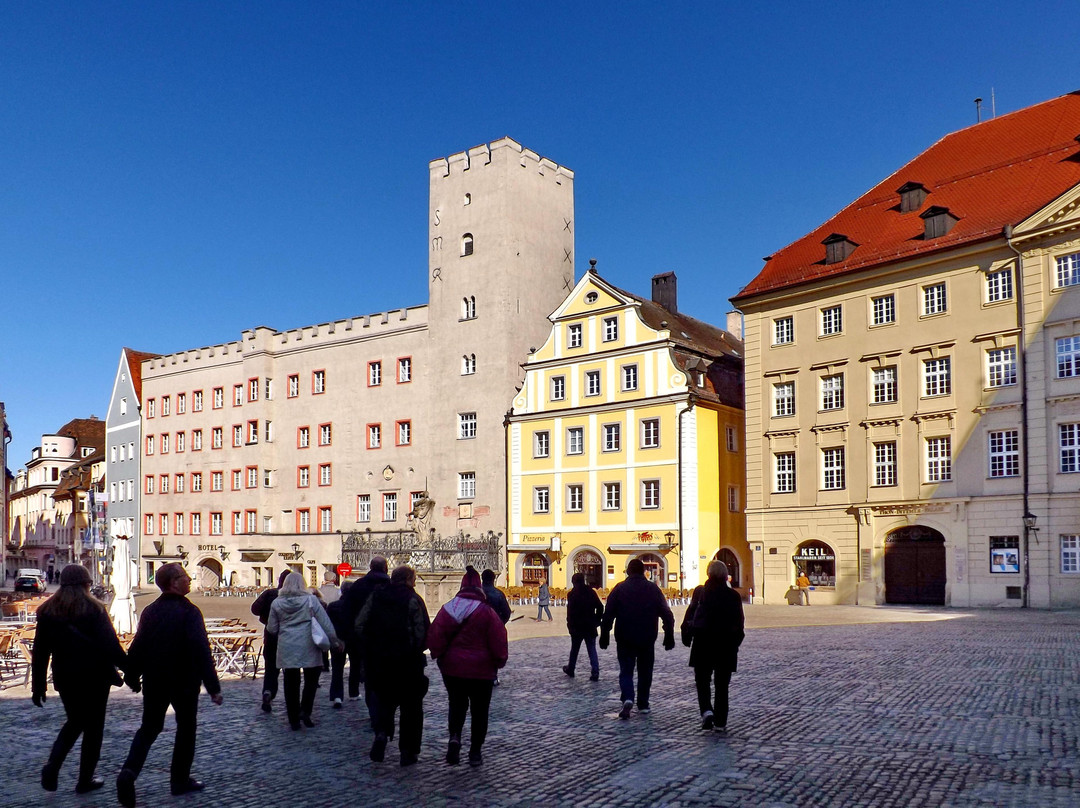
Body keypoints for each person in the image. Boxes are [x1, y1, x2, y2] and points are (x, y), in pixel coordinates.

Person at [116, 563, 223, 808]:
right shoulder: (190, 611)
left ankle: (129, 772)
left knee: (149, 728)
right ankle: (179, 779)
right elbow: (200, 650)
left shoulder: (151, 611)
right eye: (185, 577)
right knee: (186, 729)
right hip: (184, 681)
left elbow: (139, 646)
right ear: (174, 582)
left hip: (156, 679)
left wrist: (132, 676)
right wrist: (213, 686)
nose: (189, 580)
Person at [32, 564, 127, 794]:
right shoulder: (95, 609)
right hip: (96, 678)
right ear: (86, 584)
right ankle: (84, 779)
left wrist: (38, 687)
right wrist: (131, 671)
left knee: (75, 722)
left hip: (66, 677)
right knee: (93, 730)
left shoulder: (47, 611)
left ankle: (53, 766)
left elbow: (41, 652)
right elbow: (111, 646)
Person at [428, 566, 508, 767]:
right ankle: (475, 751)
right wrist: (499, 661)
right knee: (480, 711)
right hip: (482, 671)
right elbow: (499, 638)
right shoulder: (487, 612)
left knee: (456, 705)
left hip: (453, 669)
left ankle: (454, 737)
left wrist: (438, 654)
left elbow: (436, 634)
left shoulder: (448, 608)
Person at [355, 566, 430, 766]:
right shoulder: (413, 599)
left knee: (385, 702)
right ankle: (408, 751)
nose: (415, 582)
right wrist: (416, 648)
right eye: (414, 579)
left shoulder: (376, 596)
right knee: (411, 708)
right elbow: (422, 629)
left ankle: (381, 734)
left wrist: (371, 647)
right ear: (407, 579)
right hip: (407, 661)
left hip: (380, 660)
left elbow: (360, 624)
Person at [599, 558, 675, 719]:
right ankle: (643, 703)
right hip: (647, 637)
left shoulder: (619, 589)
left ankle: (627, 697)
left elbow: (609, 613)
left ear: (628, 571)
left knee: (626, 671)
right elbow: (667, 614)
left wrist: (604, 634)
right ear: (643, 572)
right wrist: (668, 635)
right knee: (645, 671)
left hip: (625, 636)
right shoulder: (653, 589)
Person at [266, 572, 342, 731]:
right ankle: (305, 711)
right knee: (311, 681)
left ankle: (293, 719)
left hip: (287, 645)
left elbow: (271, 628)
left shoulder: (277, 603)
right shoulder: (311, 600)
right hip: (309, 644)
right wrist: (334, 641)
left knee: (291, 683)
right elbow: (325, 623)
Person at [682, 560, 745, 732]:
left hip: (703, 644)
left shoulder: (700, 592)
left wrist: (686, 636)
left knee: (702, 681)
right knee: (722, 685)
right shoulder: (733, 596)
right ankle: (720, 722)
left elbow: (690, 614)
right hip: (725, 646)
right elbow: (739, 624)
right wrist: (735, 644)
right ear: (726, 576)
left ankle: (706, 710)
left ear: (708, 574)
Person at [339, 557, 391, 720]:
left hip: (359, 635)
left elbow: (347, 611)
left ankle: (363, 699)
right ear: (385, 568)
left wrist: (346, 634)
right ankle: (382, 709)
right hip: (383, 638)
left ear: (370, 567)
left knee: (358, 666)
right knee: (382, 673)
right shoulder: (390, 586)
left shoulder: (358, 585)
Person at [251, 569, 290, 712]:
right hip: (288, 638)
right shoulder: (293, 596)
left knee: (270, 670)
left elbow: (255, 609)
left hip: (271, 636)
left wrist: (265, 618)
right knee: (290, 671)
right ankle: (290, 699)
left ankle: (268, 692)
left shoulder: (269, 593)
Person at [563, 572, 603, 681]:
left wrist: (569, 625)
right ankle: (595, 672)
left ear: (574, 582)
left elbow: (570, 612)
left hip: (577, 627)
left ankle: (571, 669)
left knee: (574, 650)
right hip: (590, 626)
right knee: (592, 650)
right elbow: (600, 607)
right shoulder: (591, 592)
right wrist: (597, 620)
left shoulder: (572, 594)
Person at [480, 569, 511, 686]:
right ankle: (492, 676)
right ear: (493, 579)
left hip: (478, 628)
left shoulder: (477, 593)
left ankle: (478, 675)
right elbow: (506, 612)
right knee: (493, 652)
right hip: (494, 629)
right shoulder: (498, 594)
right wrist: (500, 623)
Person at [326, 580, 354, 708]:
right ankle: (354, 692)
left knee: (337, 669)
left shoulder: (332, 606)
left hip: (337, 639)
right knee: (355, 666)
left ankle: (337, 696)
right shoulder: (357, 606)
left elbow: (328, 624)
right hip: (353, 639)